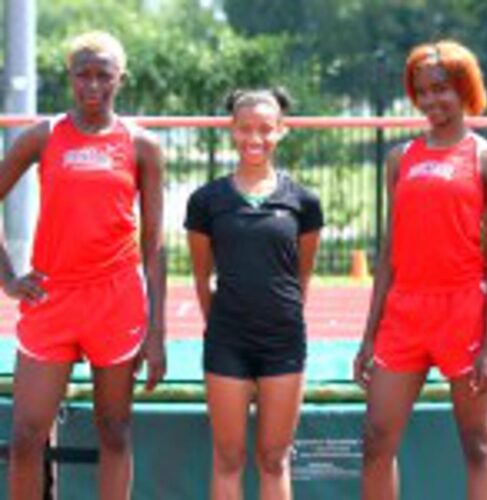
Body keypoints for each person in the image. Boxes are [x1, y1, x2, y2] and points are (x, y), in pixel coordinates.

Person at [4, 31, 166, 500]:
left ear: (121, 79)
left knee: (114, 433)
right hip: (52, 299)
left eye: (104, 75)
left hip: (116, 302)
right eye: (84, 75)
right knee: (26, 437)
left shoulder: (142, 146)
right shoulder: (44, 136)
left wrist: (155, 334)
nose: (93, 85)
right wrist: (10, 279)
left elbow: (154, 245)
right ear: (69, 77)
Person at [354, 40, 487, 500]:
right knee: (376, 441)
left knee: (477, 444)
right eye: (422, 91)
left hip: (464, 309)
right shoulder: (401, 158)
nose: (432, 100)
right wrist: (369, 333)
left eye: (442, 89)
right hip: (405, 311)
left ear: (465, 89)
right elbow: (389, 251)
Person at [185, 88, 323, 500]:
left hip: (283, 341)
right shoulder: (206, 200)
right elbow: (201, 276)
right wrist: (224, 323)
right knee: (228, 458)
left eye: (266, 129)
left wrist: (282, 319)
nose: (255, 138)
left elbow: (302, 275)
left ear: (282, 131)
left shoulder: (304, 201)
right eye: (245, 129)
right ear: (232, 130)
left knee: (274, 459)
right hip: (228, 340)